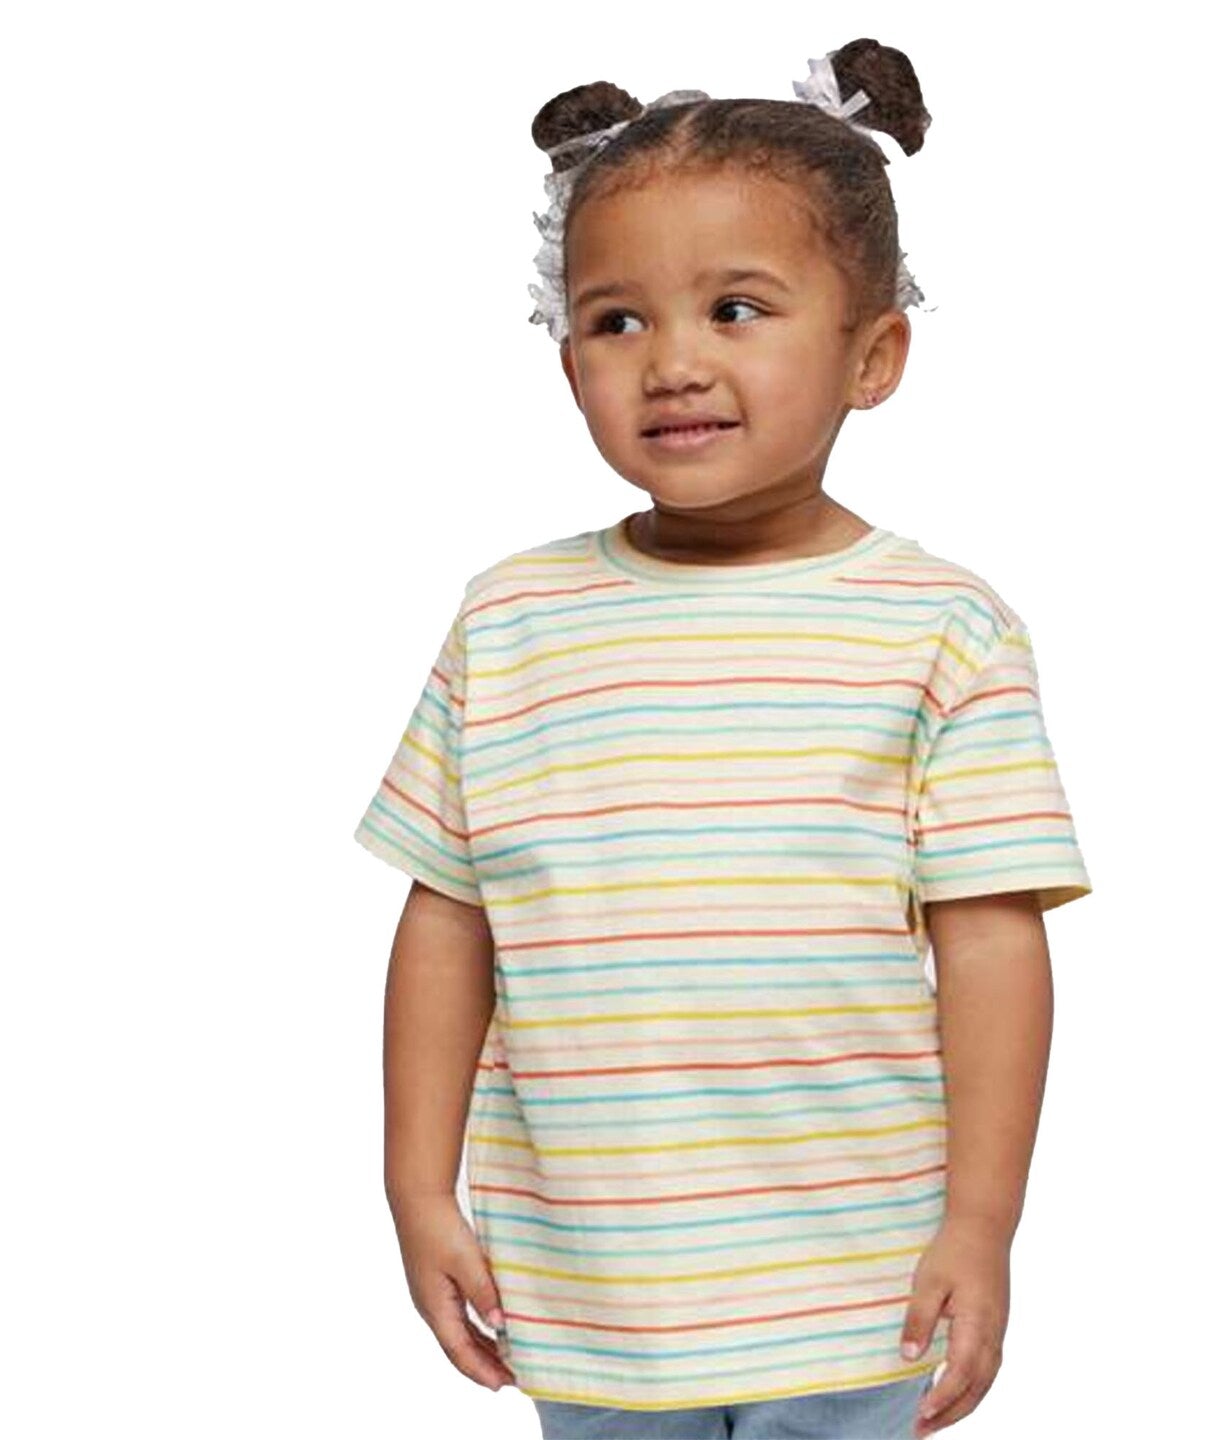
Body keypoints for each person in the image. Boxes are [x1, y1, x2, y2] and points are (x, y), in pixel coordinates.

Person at [354, 37, 1093, 1440]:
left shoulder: (942, 631)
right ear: (565, 357)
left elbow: (992, 942)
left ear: (873, 355)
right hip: (591, 1288)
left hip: (859, 1279)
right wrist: (416, 1185)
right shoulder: (511, 623)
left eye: (736, 308)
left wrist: (982, 1223)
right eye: (616, 320)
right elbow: (448, 917)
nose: (674, 362)